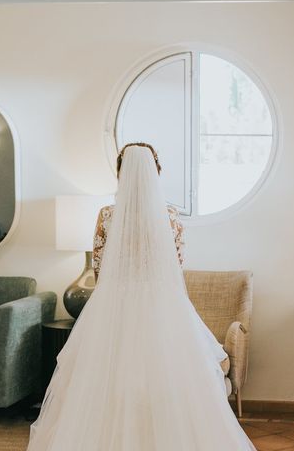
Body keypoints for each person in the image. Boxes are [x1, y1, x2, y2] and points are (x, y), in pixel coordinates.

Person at [27, 143, 255, 450]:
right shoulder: (171, 216)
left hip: (115, 302)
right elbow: (176, 266)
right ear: (156, 173)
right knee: (165, 380)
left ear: (121, 173)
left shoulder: (107, 215)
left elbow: (99, 268)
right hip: (161, 303)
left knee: (106, 378)